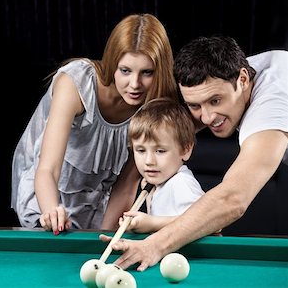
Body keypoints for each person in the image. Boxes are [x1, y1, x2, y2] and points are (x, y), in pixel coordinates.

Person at [100, 36, 288, 271]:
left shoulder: (273, 102)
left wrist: (154, 245)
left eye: (215, 101)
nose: (207, 118)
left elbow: (233, 198)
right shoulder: (231, 74)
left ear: (242, 79)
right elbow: (170, 129)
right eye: (195, 106)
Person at [11, 13, 178, 234]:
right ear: (112, 63)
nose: (135, 84)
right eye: (125, 70)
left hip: (95, 203)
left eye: (147, 73)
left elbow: (126, 185)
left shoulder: (155, 104)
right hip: (46, 193)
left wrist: (106, 240)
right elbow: (48, 169)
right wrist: (51, 211)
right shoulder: (76, 83)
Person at [119, 97, 205, 234]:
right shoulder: (157, 184)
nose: (149, 161)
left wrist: (152, 223)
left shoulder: (182, 183)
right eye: (141, 150)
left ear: (185, 150)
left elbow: (208, 222)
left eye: (160, 151)